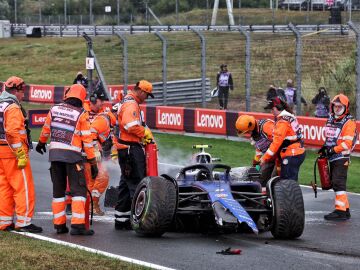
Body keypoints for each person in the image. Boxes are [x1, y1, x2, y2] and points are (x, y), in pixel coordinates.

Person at [36, 84, 98, 235]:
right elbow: (87, 141)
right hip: (73, 158)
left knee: (58, 191)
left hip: (55, 157)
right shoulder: (81, 114)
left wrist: (41, 143)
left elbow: (45, 129)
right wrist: (93, 162)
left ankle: (59, 225)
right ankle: (77, 226)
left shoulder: (54, 109)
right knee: (79, 190)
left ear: (67, 95)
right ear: (82, 98)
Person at [0, 76, 43, 233]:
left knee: (4, 187)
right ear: (15, 90)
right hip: (13, 154)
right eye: (22, 91)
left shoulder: (1, 105)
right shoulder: (12, 108)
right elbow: (11, 131)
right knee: (23, 187)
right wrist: (20, 153)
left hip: (1, 153)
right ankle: (24, 222)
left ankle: (4, 221)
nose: (23, 94)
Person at [113, 80, 154, 230]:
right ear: (141, 91)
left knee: (125, 183)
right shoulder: (131, 104)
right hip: (130, 149)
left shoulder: (127, 101)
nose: (146, 98)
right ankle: (141, 220)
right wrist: (145, 134)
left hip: (125, 148)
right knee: (137, 183)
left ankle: (121, 219)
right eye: (147, 95)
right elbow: (130, 125)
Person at [318, 94, 357, 221]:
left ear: (346, 108)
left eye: (340, 107)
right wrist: (325, 147)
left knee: (338, 182)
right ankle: (345, 210)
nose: (337, 108)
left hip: (342, 156)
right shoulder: (330, 119)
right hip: (332, 156)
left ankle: (340, 211)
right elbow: (330, 138)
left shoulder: (349, 123)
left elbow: (347, 144)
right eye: (335, 106)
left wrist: (332, 150)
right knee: (336, 182)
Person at [83, 89, 116, 216]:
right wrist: (96, 149)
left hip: (90, 152)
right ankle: (90, 204)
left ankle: (89, 206)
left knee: (92, 180)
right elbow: (91, 133)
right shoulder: (83, 111)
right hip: (83, 151)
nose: (103, 104)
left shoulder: (103, 114)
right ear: (92, 100)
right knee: (102, 177)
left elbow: (109, 138)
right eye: (101, 101)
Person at [261, 96, 305, 181]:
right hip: (296, 152)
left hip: (292, 153)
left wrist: (264, 157)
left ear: (275, 108)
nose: (271, 112)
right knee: (290, 182)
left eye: (271, 109)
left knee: (287, 183)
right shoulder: (289, 116)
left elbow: (276, 143)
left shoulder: (282, 122)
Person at [235, 115, 276, 188]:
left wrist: (267, 157)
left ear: (251, 127)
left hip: (282, 155)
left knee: (274, 179)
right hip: (269, 157)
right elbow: (259, 152)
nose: (247, 133)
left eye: (247, 132)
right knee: (259, 176)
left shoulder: (266, 126)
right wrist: (255, 167)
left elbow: (278, 142)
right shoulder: (254, 135)